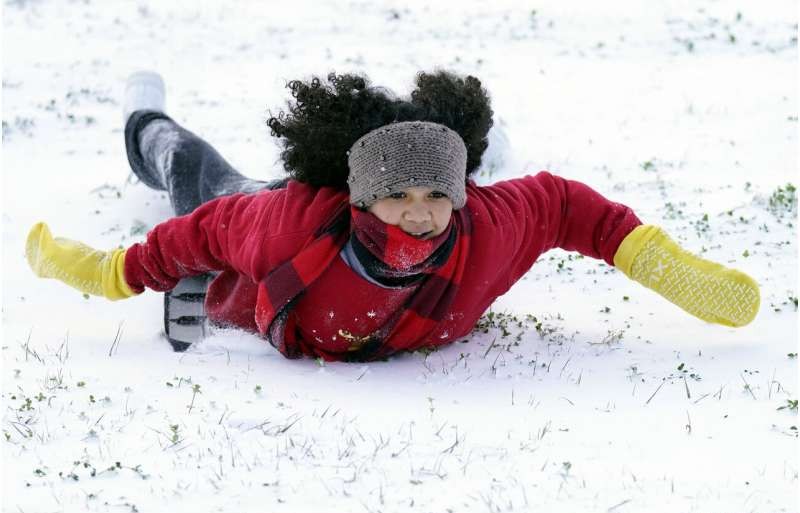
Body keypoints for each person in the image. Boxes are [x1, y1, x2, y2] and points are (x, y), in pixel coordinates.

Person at [25, 70, 761, 362]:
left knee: (468, 170)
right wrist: (109, 270)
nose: (418, 215)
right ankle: (143, 113)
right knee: (199, 177)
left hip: (439, 197)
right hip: (261, 220)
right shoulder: (288, 221)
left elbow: (568, 207)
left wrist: (660, 262)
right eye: (398, 198)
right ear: (362, 199)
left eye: (436, 195)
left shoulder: (484, 225)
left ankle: (479, 143)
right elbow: (198, 233)